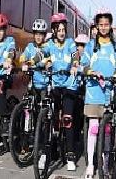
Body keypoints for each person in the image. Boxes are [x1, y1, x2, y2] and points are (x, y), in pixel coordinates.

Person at [80, 7, 116, 179]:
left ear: (110, 25)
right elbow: (84, 65)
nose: (104, 27)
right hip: (93, 92)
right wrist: (91, 72)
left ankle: (105, 164)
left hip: (109, 93)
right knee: (93, 128)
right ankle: (90, 165)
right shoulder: (91, 46)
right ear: (97, 26)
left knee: (106, 131)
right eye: (101, 24)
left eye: (106, 24)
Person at [42, 13, 81, 171]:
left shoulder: (71, 43)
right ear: (54, 31)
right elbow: (43, 56)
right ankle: (46, 153)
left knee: (67, 119)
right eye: (59, 30)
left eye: (64, 30)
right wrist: (47, 63)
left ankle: (70, 155)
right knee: (49, 119)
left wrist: (74, 65)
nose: (62, 32)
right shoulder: (48, 44)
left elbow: (75, 56)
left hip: (69, 85)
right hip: (54, 85)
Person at [20, 18, 49, 94]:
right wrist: (23, 62)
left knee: (44, 102)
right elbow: (24, 55)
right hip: (32, 82)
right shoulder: (30, 46)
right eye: (36, 34)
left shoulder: (47, 47)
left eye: (41, 34)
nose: (38, 37)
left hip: (44, 84)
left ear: (44, 35)